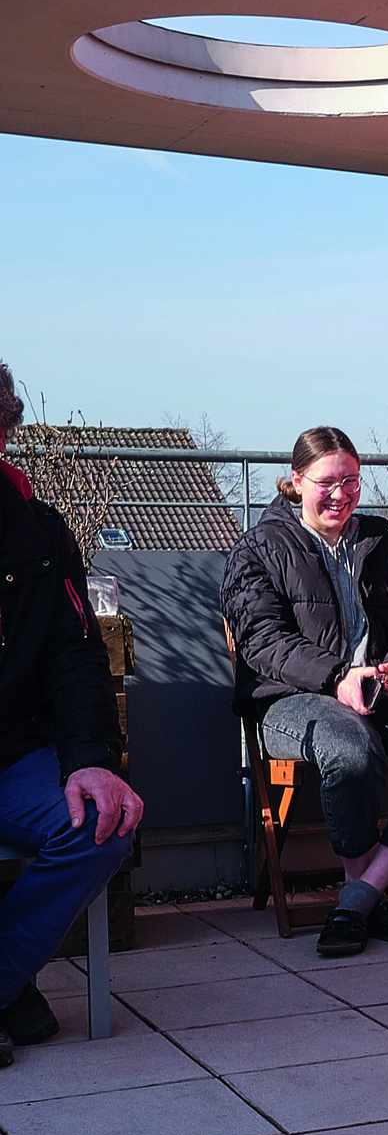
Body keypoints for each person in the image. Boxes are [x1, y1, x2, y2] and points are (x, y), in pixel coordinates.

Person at [222, 426, 388, 959]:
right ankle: (370, 899)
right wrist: (337, 676)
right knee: (350, 746)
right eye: (328, 482)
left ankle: (359, 896)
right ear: (295, 482)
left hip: (380, 693)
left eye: (352, 481)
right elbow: (262, 643)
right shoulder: (258, 549)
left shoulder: (383, 544)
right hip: (289, 698)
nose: (341, 494)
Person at [0, 365, 141, 1065]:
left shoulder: (39, 530)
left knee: (100, 826)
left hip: (16, 752)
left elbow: (76, 655)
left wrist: (91, 760)